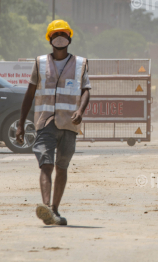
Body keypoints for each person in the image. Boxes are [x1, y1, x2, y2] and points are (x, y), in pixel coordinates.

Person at [16, 20, 91, 225]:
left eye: (64, 34)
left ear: (69, 38)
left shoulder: (80, 63)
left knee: (62, 167)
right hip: (45, 122)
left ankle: (55, 211)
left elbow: (86, 90)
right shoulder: (40, 62)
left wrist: (80, 110)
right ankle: (47, 207)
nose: (60, 37)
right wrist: (21, 124)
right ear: (49, 39)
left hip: (69, 123)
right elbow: (29, 94)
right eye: (56, 34)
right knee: (46, 164)